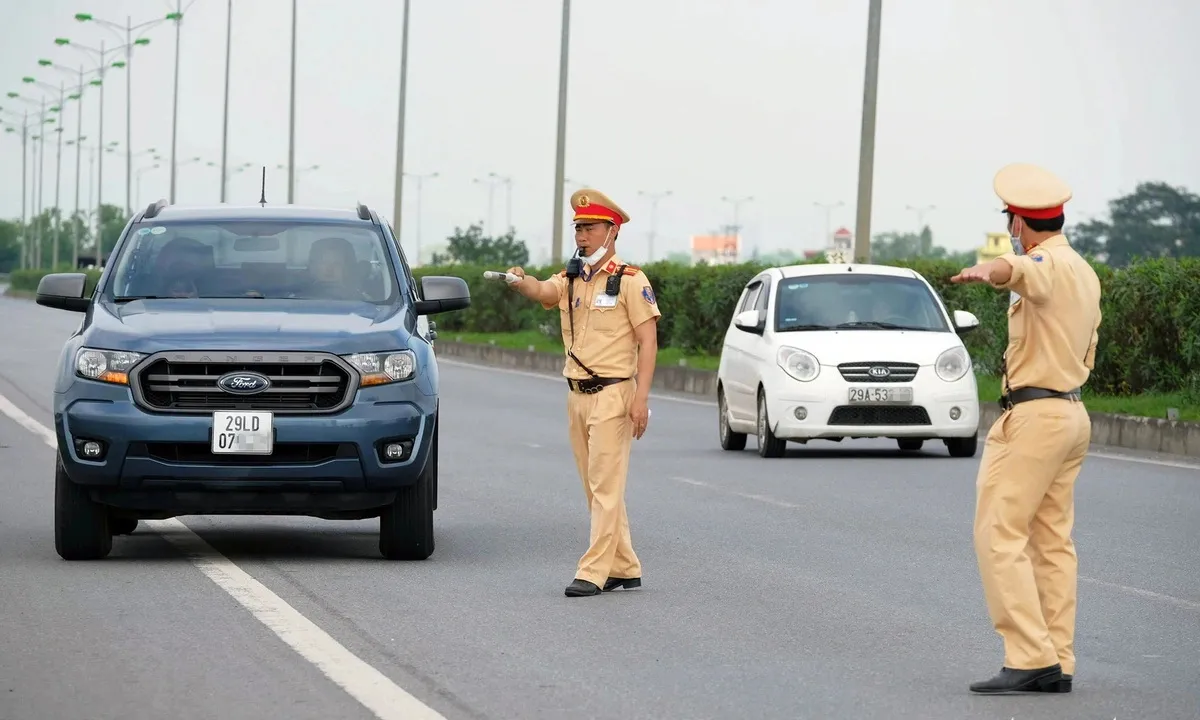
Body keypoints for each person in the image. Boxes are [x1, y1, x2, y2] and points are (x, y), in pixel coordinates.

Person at [951, 162, 1102, 694]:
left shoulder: (1044, 264)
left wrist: (986, 270)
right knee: (1051, 542)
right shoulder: (1084, 270)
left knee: (999, 533)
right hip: (1071, 414)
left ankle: (1029, 655)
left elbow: (1016, 272)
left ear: (1018, 223)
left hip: (1036, 416)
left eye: (1011, 221)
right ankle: (1057, 658)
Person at [504, 188, 661, 597]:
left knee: (605, 485)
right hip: (577, 394)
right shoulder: (573, 277)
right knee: (594, 487)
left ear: (612, 231)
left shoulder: (630, 280)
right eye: (578, 228)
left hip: (613, 393)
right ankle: (624, 565)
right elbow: (544, 291)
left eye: (589, 228)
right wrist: (521, 283)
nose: (581, 235)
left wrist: (640, 400)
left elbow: (649, 341)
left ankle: (593, 571)